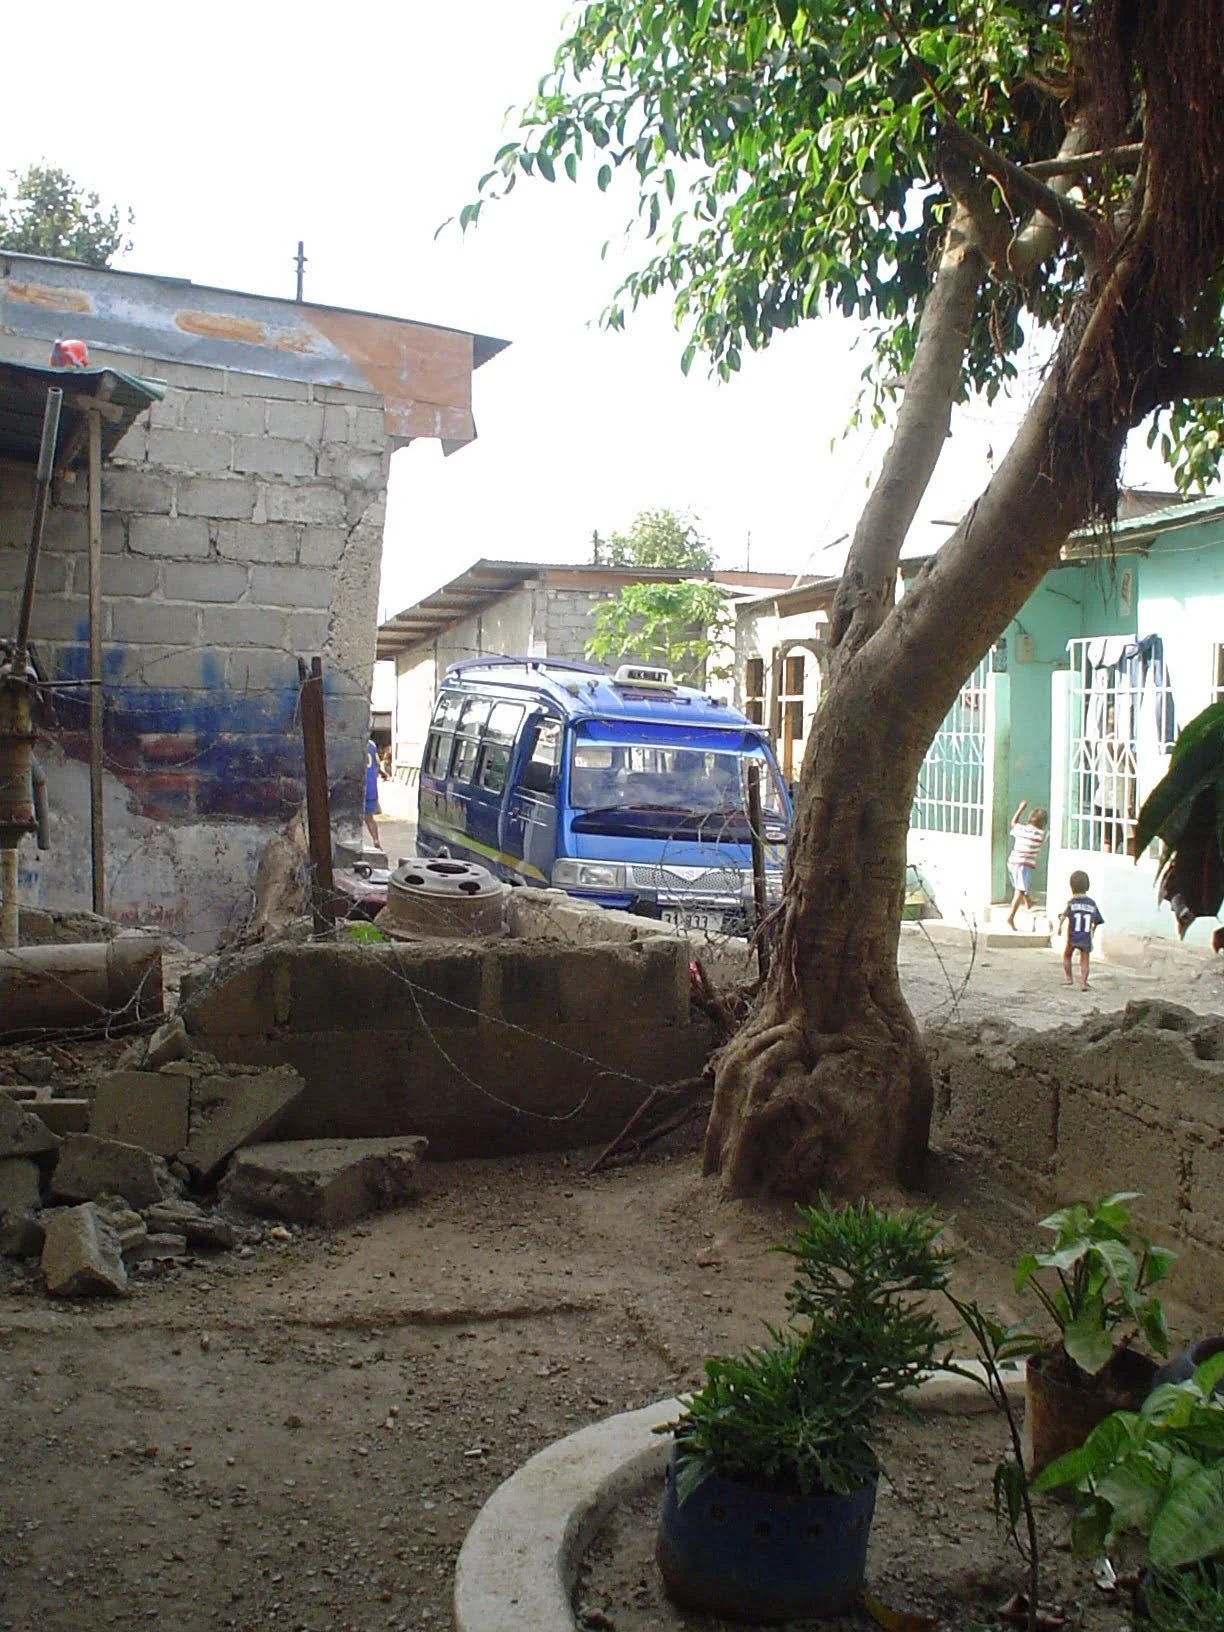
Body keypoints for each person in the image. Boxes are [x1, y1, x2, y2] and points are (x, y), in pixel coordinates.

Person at [1006, 800, 1049, 930]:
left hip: (1012, 862)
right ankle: (1011, 917)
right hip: (1023, 865)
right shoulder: (1040, 835)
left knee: (1021, 886)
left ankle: (1028, 902)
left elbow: (1013, 823)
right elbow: (1044, 841)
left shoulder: (1021, 829)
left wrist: (1020, 808)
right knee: (1019, 891)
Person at [1059, 870, 1104, 991]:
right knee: (1085, 959)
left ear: (1071, 886)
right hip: (1085, 937)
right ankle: (1084, 982)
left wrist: (1059, 928)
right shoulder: (1092, 904)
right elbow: (1098, 920)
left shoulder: (1072, 903)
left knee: (1067, 955)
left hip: (1073, 936)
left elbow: (1063, 917)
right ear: (1087, 886)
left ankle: (1069, 978)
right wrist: (1093, 930)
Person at [364, 738, 381, 849]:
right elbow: (378, 764)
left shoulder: (354, 742)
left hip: (357, 785)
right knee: (369, 817)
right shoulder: (372, 744)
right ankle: (376, 840)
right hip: (371, 786)